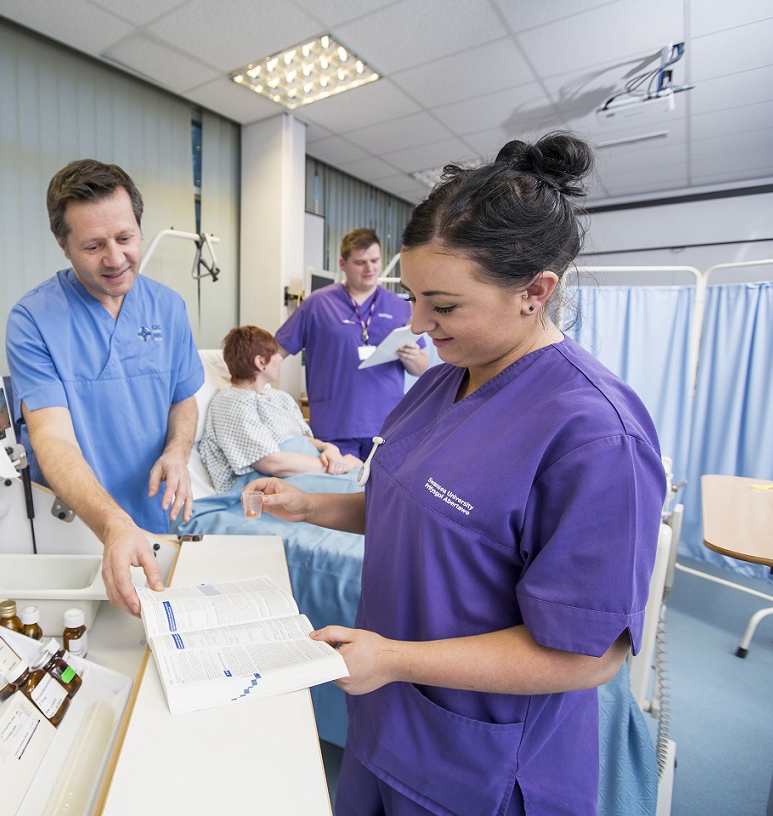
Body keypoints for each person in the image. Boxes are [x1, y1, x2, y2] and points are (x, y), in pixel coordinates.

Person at [249, 133, 666, 815]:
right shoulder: (441, 384)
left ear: (535, 291)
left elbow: (590, 656)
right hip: (386, 726)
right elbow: (416, 510)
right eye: (411, 297)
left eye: (441, 306)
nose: (416, 324)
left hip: (482, 766)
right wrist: (309, 506)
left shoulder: (595, 434)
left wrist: (395, 659)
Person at [6, 159, 204, 616]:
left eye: (125, 238)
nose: (115, 259)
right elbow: (51, 437)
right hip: (80, 524)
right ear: (63, 244)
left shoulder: (168, 307)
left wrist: (177, 451)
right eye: (94, 245)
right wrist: (113, 522)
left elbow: (183, 398)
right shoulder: (33, 319)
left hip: (156, 517)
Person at [276, 228, 430, 460]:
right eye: (360, 262)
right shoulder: (318, 304)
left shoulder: (399, 306)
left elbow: (422, 367)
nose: (370, 268)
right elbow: (276, 353)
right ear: (343, 263)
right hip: (334, 426)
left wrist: (412, 358)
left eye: (375, 260)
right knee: (336, 492)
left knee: (378, 494)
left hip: (384, 426)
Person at [198, 325, 363, 493]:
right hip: (270, 481)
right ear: (261, 361)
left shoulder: (279, 397)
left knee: (369, 481)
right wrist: (339, 467)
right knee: (360, 491)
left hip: (307, 471)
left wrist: (330, 449)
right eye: (275, 353)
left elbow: (304, 439)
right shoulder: (231, 403)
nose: (279, 358)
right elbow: (271, 463)